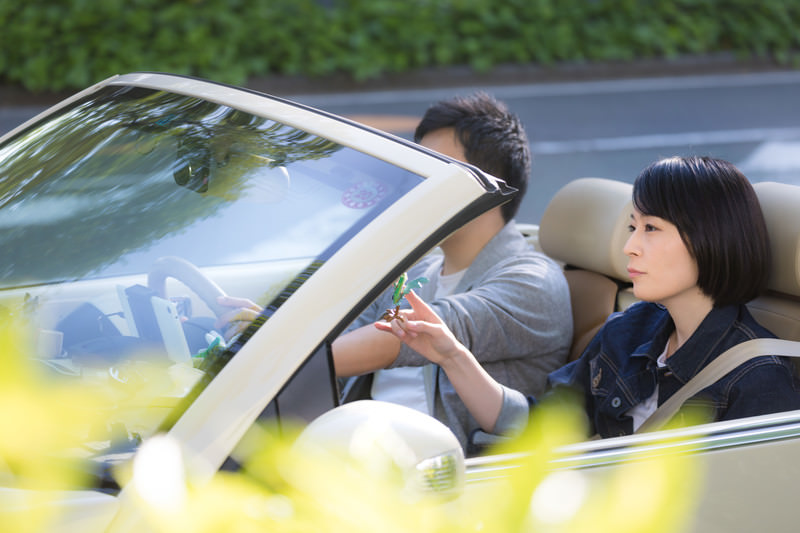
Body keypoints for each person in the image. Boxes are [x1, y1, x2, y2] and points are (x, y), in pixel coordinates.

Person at [219, 92, 573, 452]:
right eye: (419, 170)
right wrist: (269, 330)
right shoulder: (419, 268)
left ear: (487, 186)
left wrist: (277, 352)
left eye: (438, 171)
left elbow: (409, 334)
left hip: (436, 470)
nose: (418, 184)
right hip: (352, 446)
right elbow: (339, 334)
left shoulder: (533, 281)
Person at [378, 155, 800, 439]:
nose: (630, 247)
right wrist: (452, 356)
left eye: (651, 229)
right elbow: (540, 428)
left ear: (709, 239)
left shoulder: (758, 380)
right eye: (633, 227)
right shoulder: (628, 331)